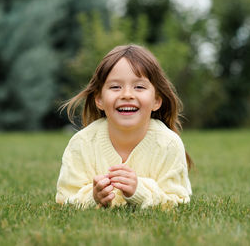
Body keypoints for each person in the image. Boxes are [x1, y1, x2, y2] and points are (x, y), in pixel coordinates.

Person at [56, 44, 192, 208]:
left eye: (139, 87)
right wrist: (93, 198)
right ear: (99, 99)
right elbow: (65, 200)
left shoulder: (168, 144)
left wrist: (139, 191)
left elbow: (179, 201)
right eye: (115, 87)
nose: (127, 95)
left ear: (156, 100)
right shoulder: (81, 144)